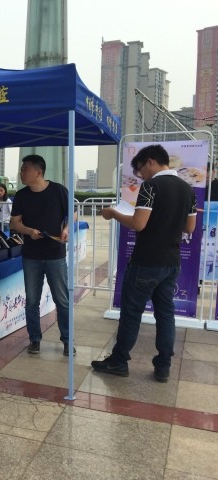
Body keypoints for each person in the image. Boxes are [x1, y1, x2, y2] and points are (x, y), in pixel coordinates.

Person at [92, 144, 196, 382]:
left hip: (146, 261)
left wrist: (113, 213)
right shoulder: (187, 189)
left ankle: (119, 361)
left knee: (131, 313)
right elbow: (189, 228)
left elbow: (139, 224)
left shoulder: (151, 186)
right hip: (172, 262)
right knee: (165, 314)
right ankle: (163, 366)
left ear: (150, 161)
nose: (140, 175)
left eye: (140, 169)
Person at [10, 154, 74, 356]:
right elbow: (14, 223)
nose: (21, 172)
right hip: (31, 256)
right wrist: (29, 231)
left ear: (38, 171)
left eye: (25, 169)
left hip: (56, 255)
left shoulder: (59, 191)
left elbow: (72, 213)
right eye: (21, 169)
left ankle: (68, 340)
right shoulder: (21, 195)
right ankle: (34, 339)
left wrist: (66, 229)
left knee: (62, 300)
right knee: (31, 301)